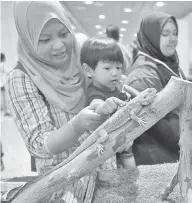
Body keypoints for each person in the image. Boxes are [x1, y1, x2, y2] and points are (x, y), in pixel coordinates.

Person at [9, 3, 125, 201]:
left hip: (106, 172)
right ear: (28, 40)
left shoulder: (80, 58)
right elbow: (38, 145)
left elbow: (105, 89)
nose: (59, 46)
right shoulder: (22, 77)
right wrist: (77, 126)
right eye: (44, 39)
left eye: (64, 34)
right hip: (65, 185)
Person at [124, 11, 192, 165]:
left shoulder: (170, 65)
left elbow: (185, 100)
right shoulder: (143, 73)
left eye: (175, 33)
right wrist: (183, 143)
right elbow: (155, 120)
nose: (173, 39)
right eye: (165, 34)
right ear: (151, 37)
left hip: (175, 145)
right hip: (155, 152)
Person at [80, 36, 135, 168]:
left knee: (131, 174)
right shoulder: (94, 92)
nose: (115, 73)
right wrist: (103, 106)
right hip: (108, 152)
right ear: (88, 70)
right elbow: (97, 105)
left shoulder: (115, 87)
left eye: (118, 67)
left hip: (125, 143)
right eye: (107, 68)